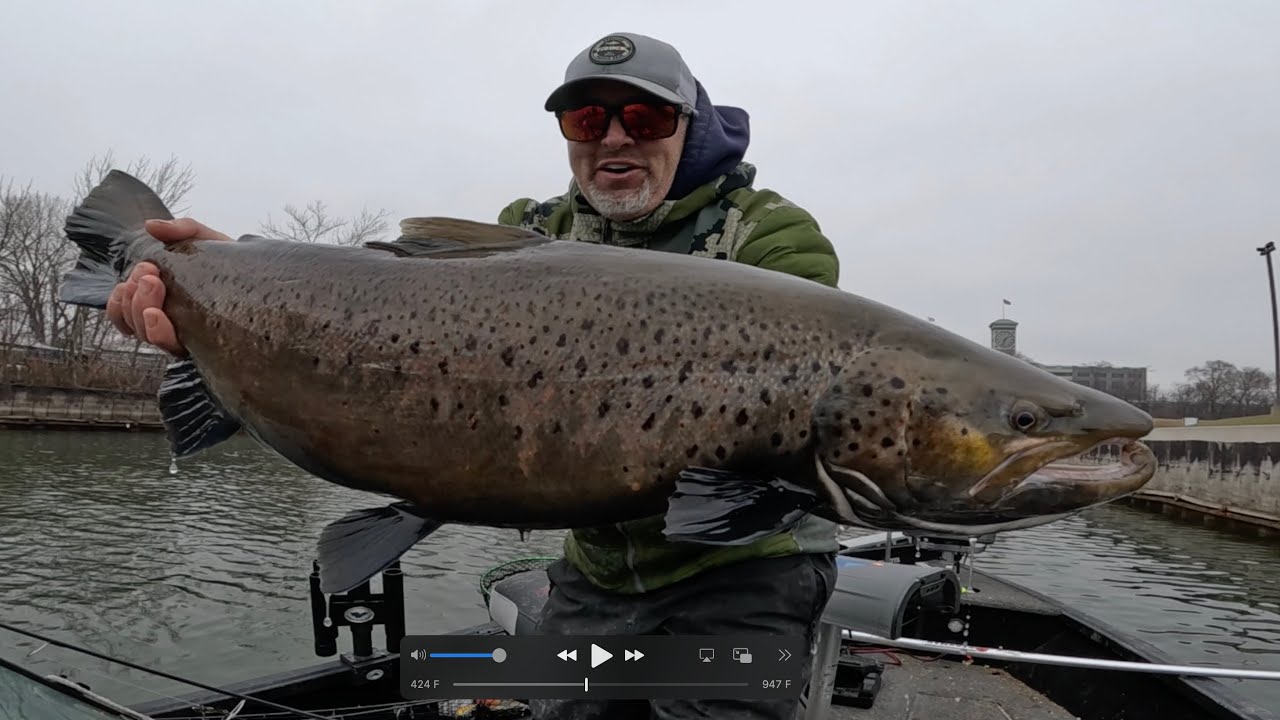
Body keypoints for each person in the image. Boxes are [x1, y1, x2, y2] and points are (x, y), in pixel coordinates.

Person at [104, 31, 841, 720]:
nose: (615, 137)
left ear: (690, 124)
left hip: (748, 569)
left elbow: (793, 415)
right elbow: (378, 313)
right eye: (588, 119)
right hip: (600, 569)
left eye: (645, 117)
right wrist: (222, 275)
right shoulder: (534, 231)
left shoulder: (770, 236)